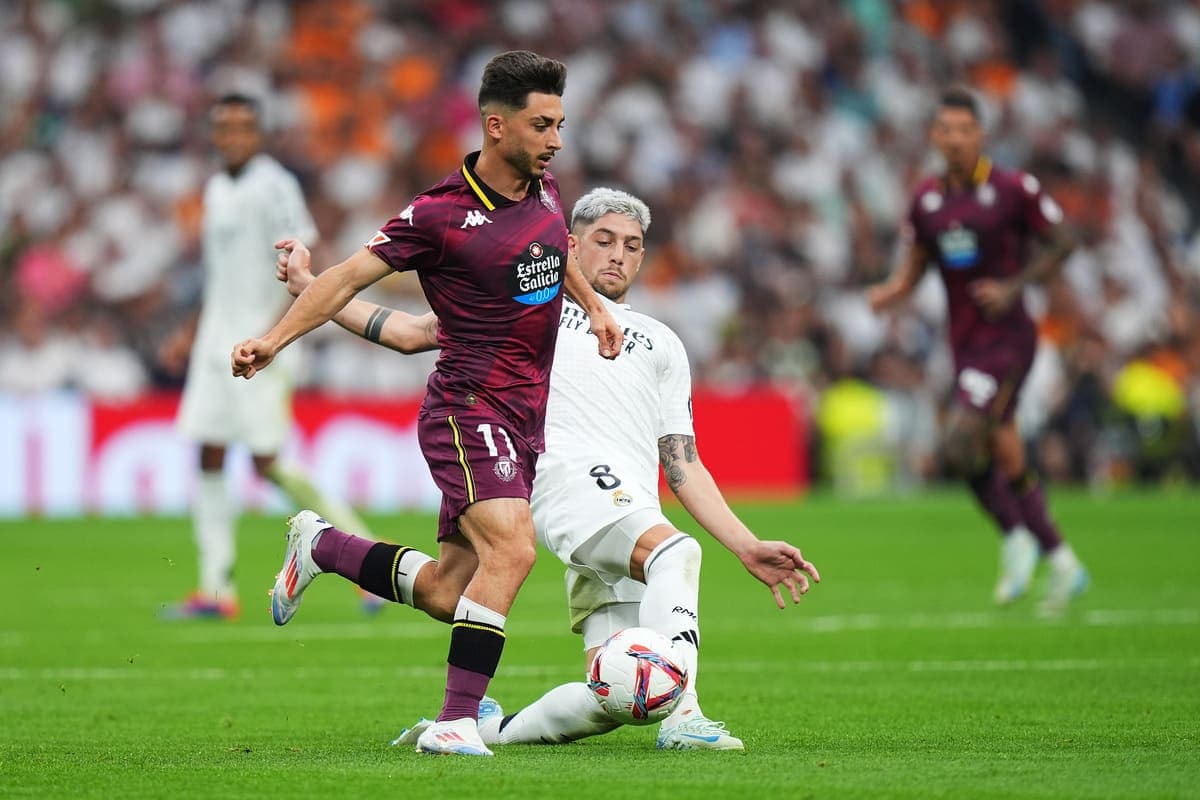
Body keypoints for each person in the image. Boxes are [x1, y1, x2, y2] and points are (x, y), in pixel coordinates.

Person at [276, 187, 820, 751]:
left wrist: (746, 544)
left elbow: (682, 465)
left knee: (475, 608)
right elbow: (409, 333)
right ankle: (686, 716)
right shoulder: (528, 305)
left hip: (627, 506)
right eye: (603, 240)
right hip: (558, 477)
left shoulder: (663, 343)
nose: (618, 255)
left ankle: (326, 550)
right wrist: (311, 291)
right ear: (569, 247)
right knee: (676, 553)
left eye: (632, 246)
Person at [230, 51, 625, 757]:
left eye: (560, 125)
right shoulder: (440, 215)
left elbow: (418, 330)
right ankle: (454, 722)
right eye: (543, 125)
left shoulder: (544, 190)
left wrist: (593, 306)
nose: (556, 140)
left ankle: (321, 545)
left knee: (448, 592)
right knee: (515, 545)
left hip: (520, 419)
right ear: (496, 126)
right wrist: (276, 336)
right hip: (467, 409)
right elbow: (351, 276)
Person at [867, 87, 1088, 615]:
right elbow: (918, 261)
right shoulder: (927, 200)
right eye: (946, 129)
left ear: (980, 134)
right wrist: (892, 292)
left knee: (961, 442)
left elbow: (1064, 240)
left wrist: (1015, 286)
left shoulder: (1012, 187)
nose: (956, 139)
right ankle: (1063, 563)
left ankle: (1015, 539)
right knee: (1006, 451)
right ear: (935, 136)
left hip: (1009, 337)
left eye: (965, 129)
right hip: (965, 343)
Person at [160, 93, 380, 620]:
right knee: (208, 452)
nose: (232, 137)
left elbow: (303, 254)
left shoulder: (274, 185)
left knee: (266, 462)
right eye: (223, 127)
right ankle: (215, 591)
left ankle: (368, 563)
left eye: (242, 128)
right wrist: (193, 331)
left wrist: (284, 333)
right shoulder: (215, 188)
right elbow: (223, 273)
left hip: (262, 343)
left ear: (257, 134)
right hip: (216, 342)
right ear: (214, 134)